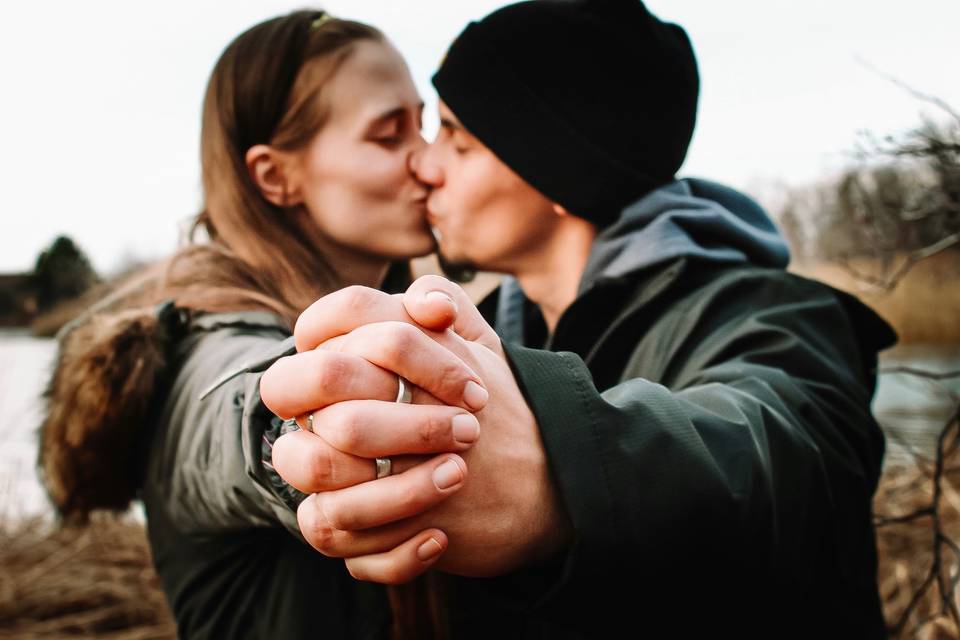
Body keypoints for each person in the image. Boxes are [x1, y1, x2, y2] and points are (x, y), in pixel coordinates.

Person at [259, 0, 897, 637]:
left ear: (558, 170)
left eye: (458, 138)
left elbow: (776, 449)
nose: (424, 165)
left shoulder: (776, 316)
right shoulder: (488, 335)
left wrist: (564, 472)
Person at [37, 9, 475, 639]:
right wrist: (298, 427)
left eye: (426, 127)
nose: (429, 161)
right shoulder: (201, 349)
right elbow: (230, 415)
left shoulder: (423, 312)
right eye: (388, 135)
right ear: (275, 176)